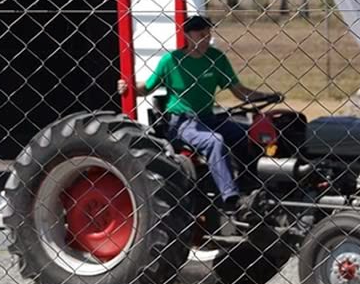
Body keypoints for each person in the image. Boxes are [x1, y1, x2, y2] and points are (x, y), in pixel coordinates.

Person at [117, 15, 279, 211]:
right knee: (214, 141)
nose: (205, 39)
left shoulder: (216, 58)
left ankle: (250, 181)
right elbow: (147, 88)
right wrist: (129, 86)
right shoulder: (172, 61)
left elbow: (239, 91)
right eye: (200, 34)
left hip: (208, 118)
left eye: (208, 34)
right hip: (181, 123)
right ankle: (231, 199)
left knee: (245, 133)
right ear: (187, 35)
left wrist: (266, 96)